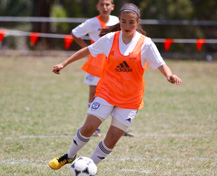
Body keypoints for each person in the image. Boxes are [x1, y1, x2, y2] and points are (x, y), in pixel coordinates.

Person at [49, 3, 182, 170]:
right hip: (106, 92)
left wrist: (169, 75)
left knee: (111, 139)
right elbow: (88, 51)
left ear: (138, 22)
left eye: (131, 22)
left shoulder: (146, 44)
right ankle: (69, 156)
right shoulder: (110, 38)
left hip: (130, 99)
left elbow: (161, 64)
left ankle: (88, 167)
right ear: (119, 21)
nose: (127, 26)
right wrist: (64, 63)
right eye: (124, 21)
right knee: (89, 127)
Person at [71, 0, 134, 137]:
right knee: (94, 93)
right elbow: (75, 33)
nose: (104, 7)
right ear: (97, 7)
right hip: (96, 61)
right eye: (102, 4)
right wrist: (86, 49)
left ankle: (119, 127)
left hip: (113, 62)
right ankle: (93, 128)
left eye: (107, 4)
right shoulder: (92, 22)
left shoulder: (117, 20)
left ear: (112, 6)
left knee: (118, 92)